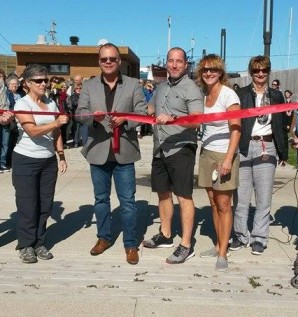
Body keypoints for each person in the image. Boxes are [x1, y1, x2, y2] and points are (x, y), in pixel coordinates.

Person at [75, 43, 147, 265]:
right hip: (98, 150)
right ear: (99, 61)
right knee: (101, 200)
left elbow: (143, 113)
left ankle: (131, 243)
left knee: (127, 202)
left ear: (119, 61)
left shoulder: (134, 84)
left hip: (124, 150)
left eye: (112, 59)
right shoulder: (89, 85)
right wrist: (92, 118)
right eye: (104, 59)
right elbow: (79, 114)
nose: (108, 62)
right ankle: (103, 238)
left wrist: (126, 119)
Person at [142, 47, 204, 264]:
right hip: (160, 148)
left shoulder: (192, 89)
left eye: (179, 61)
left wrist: (174, 117)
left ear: (186, 64)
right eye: (171, 61)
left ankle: (186, 245)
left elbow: (197, 120)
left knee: (184, 196)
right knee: (162, 194)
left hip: (181, 149)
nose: (175, 64)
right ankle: (166, 235)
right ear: (166, 63)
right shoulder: (160, 87)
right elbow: (149, 109)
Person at [230, 55, 287, 255]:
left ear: (268, 71)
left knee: (263, 197)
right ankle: (239, 235)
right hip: (245, 146)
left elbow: (281, 125)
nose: (260, 74)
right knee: (241, 196)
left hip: (267, 147)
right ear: (251, 72)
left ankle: (259, 238)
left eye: (264, 70)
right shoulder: (241, 94)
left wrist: (283, 151)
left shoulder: (276, 95)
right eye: (256, 70)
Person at [12, 64, 68, 263]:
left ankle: (39, 242)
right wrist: (56, 122)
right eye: (39, 81)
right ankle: (26, 245)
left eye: (46, 80)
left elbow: (57, 133)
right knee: (28, 205)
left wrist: (61, 155)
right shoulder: (22, 104)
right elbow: (33, 131)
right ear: (27, 84)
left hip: (48, 161)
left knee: (45, 205)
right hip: (25, 160)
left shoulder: (51, 104)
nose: (44, 83)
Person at [195, 54, 241, 272]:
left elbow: (236, 129)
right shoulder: (204, 94)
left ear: (221, 72)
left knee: (224, 204)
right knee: (213, 202)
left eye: (213, 69)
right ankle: (218, 244)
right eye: (205, 70)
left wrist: (228, 159)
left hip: (224, 154)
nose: (209, 73)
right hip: (206, 153)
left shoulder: (228, 94)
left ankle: (224, 252)